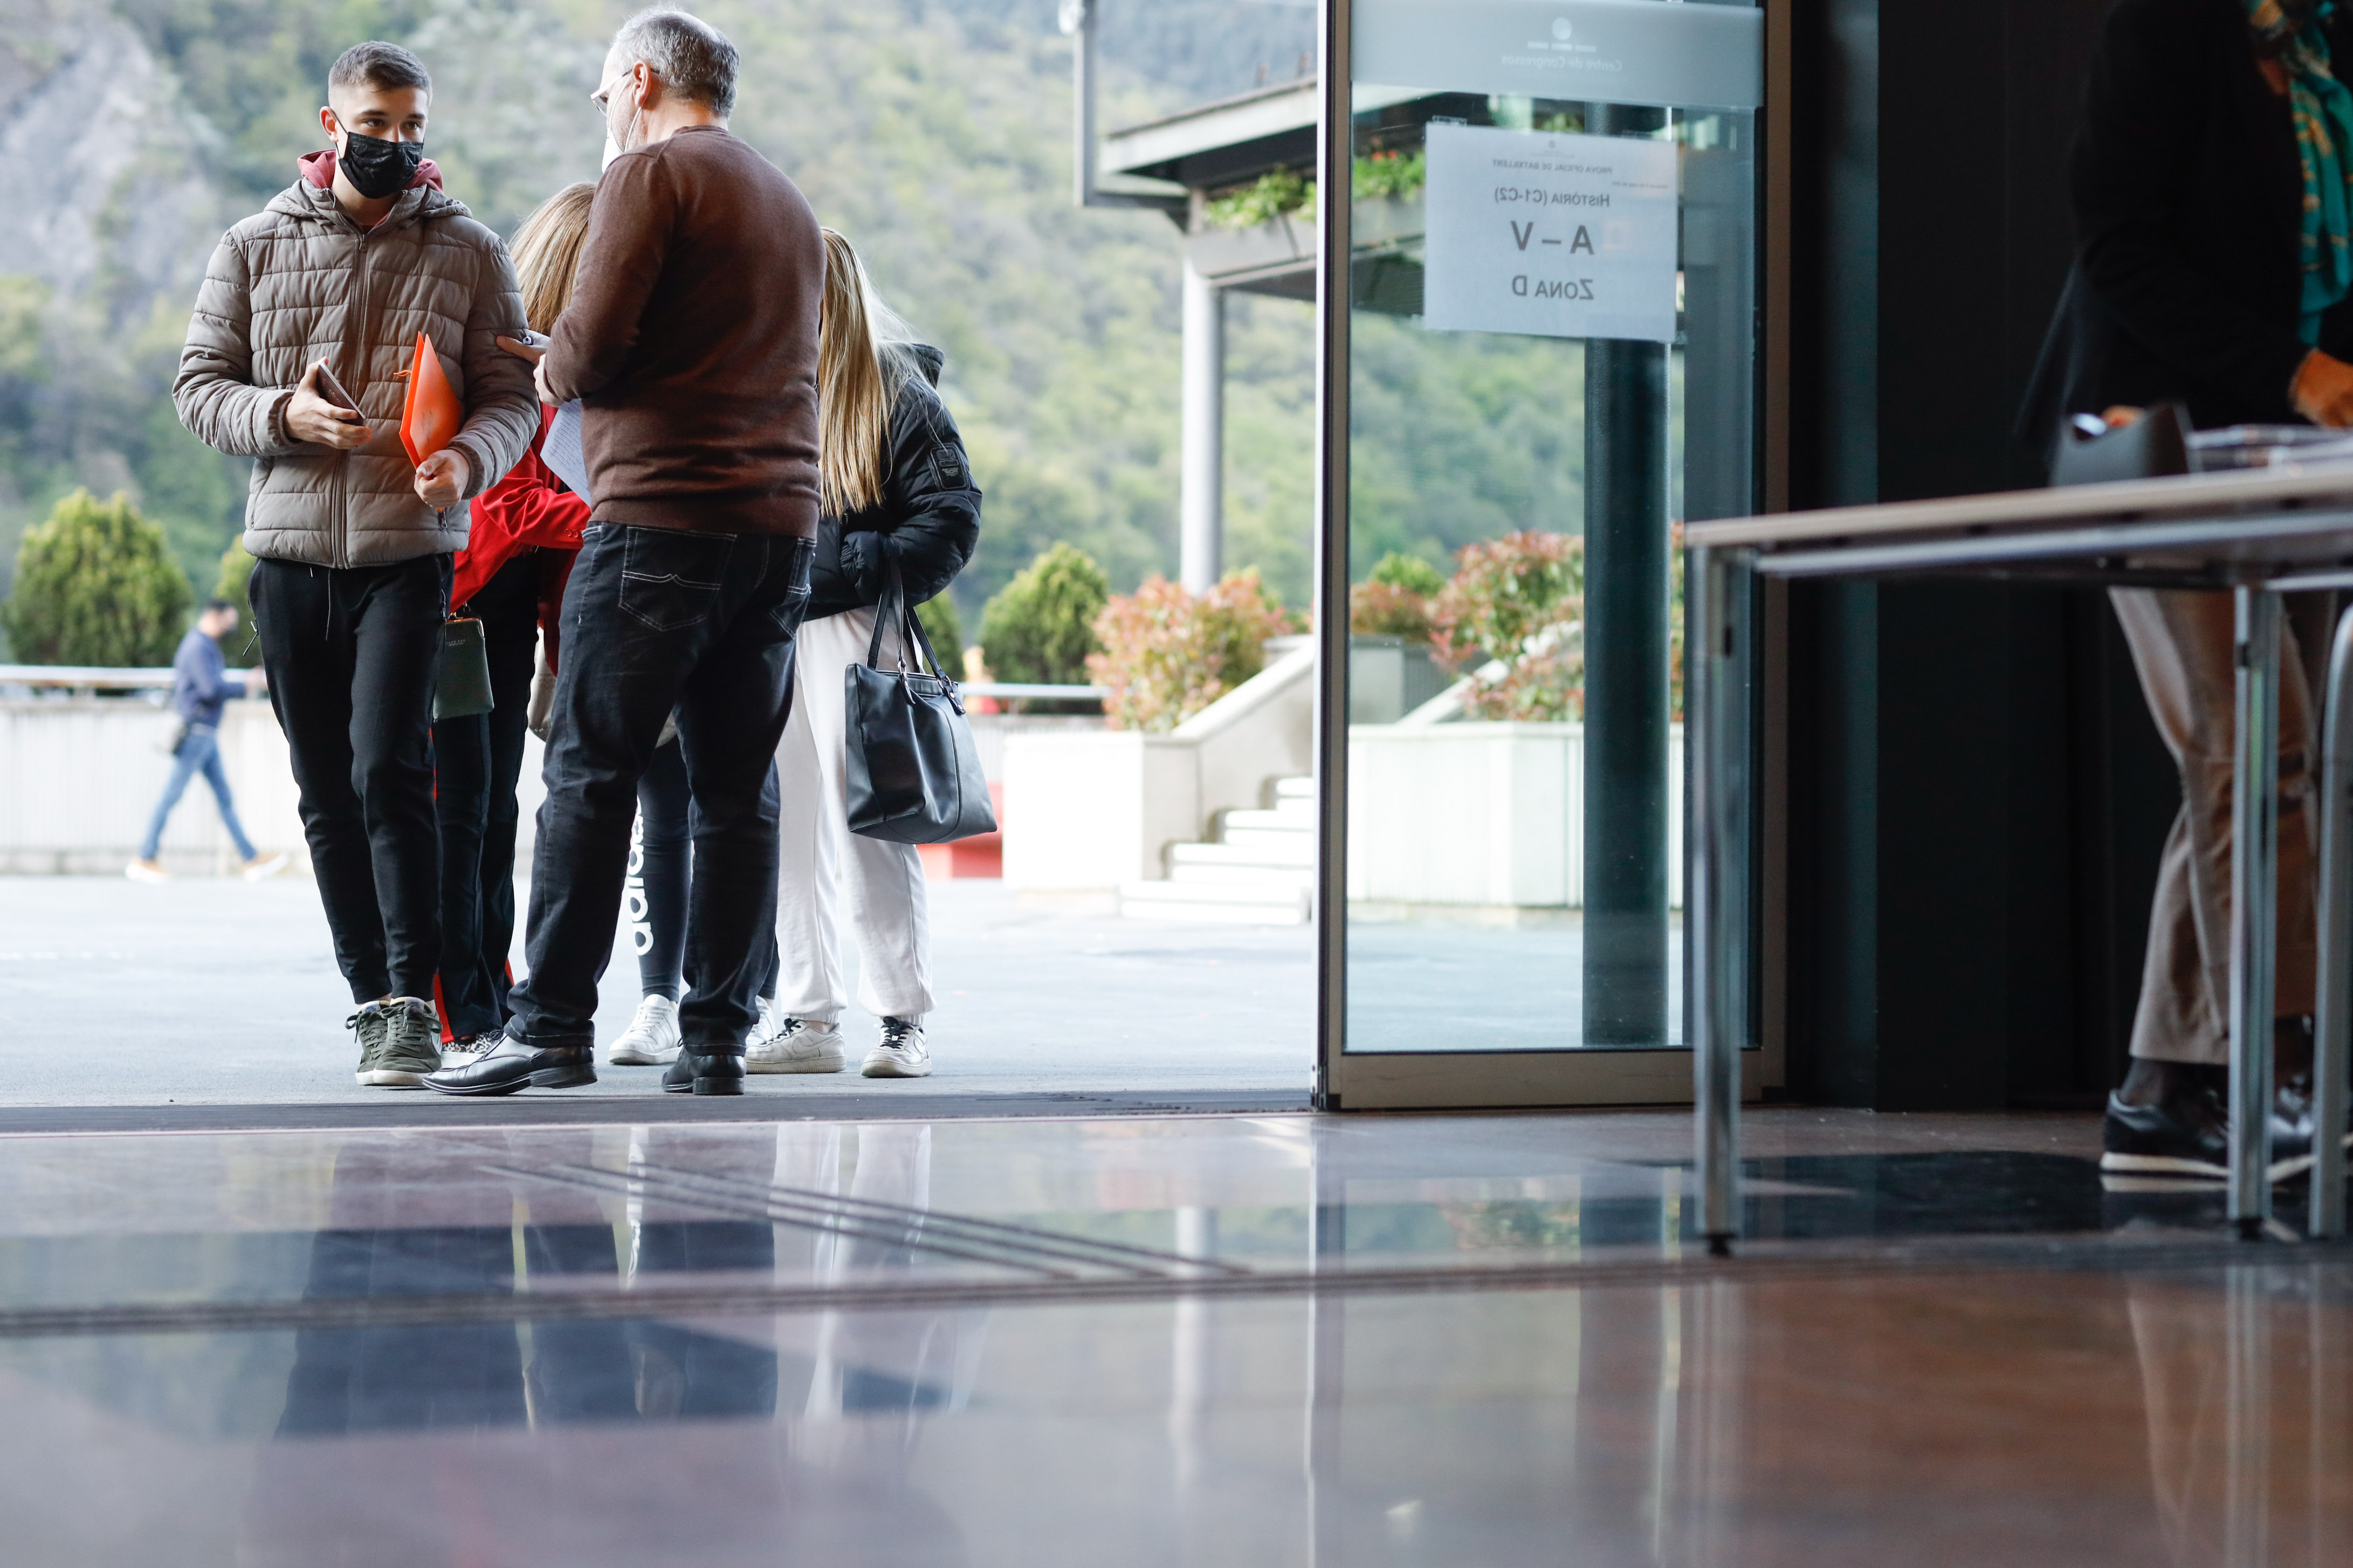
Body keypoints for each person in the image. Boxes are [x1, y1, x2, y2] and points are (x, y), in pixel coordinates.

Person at [425, 8, 824, 1098]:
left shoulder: (648, 179)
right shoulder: (785, 200)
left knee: (590, 771)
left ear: (640, 81)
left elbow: (594, 350)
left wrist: (548, 369)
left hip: (658, 521)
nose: (603, 113)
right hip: (779, 528)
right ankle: (717, 1038)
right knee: (736, 791)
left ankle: (550, 1025)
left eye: (604, 95)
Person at [2019, 0, 2353, 1176]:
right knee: (2252, 744)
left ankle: (2160, 1089)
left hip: (2298, 462)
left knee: (2261, 758)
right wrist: (2295, 369)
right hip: (2155, 442)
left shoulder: (2326, 47)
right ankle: (2283, 1069)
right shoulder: (2168, 24)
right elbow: (2117, 247)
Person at [173, 40, 541, 1090]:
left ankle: (412, 1001)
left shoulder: (471, 250)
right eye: (375, 125)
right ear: (333, 127)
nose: (394, 144)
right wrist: (281, 413)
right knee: (327, 788)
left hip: (408, 555)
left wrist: (466, 458)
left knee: (392, 770)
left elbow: (513, 396)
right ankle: (377, 1007)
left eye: (412, 128)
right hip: (288, 560)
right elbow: (199, 387)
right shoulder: (248, 246)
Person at [750, 230, 981, 1081]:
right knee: (786, 831)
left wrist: (842, 563)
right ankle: (808, 1016)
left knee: (867, 828)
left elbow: (949, 517)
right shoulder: (763, 381)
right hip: (771, 629)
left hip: (850, 632)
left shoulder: (894, 386)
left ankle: (902, 1019)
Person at [434, 184, 596, 1062]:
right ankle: (457, 1010)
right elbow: (512, 506)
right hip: (460, 605)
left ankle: (483, 1002)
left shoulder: (565, 373)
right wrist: (616, 510)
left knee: (492, 813)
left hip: (502, 616)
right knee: (463, 810)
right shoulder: (503, 359)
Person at [125, 599, 287, 884]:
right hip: (196, 732)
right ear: (214, 616)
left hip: (204, 732)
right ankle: (144, 857)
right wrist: (245, 686)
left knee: (223, 797)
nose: (230, 628)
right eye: (228, 621)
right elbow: (210, 689)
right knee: (172, 795)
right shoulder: (198, 647)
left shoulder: (201, 645)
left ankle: (250, 858)